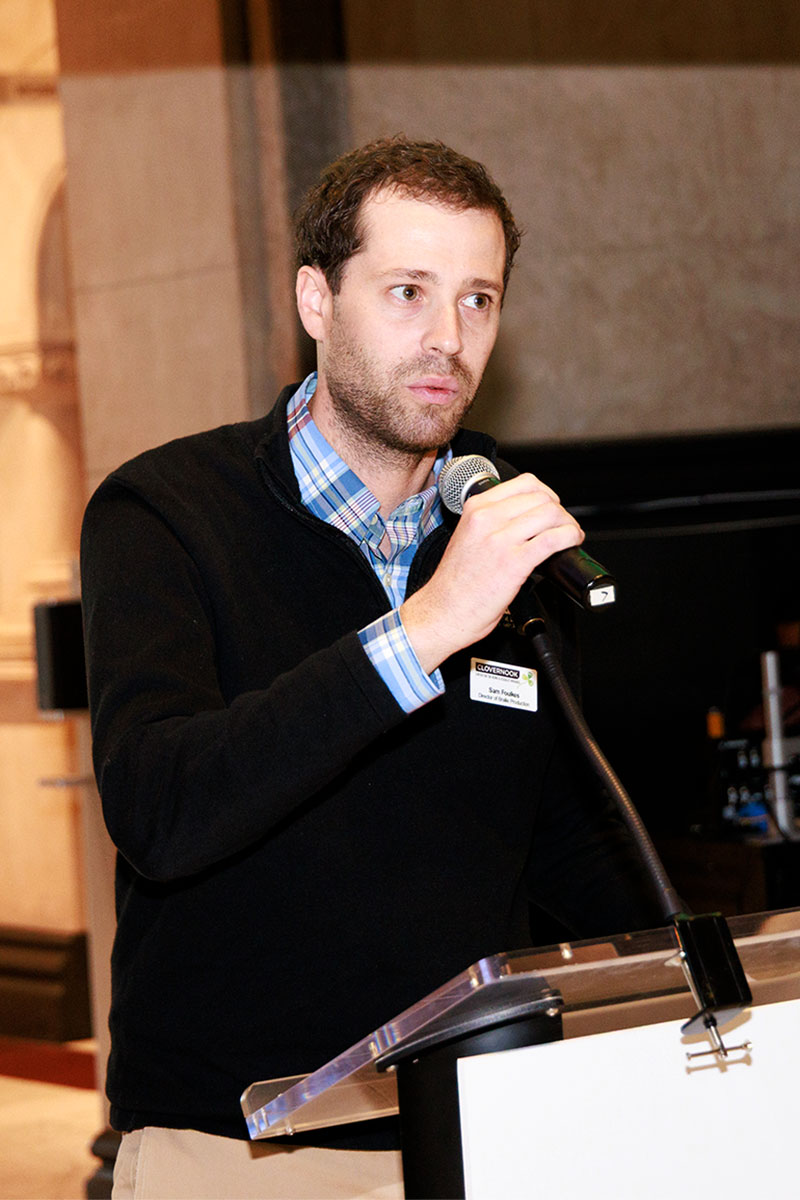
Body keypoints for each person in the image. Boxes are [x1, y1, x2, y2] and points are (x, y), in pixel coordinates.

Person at [80, 135, 663, 1199]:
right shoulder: (164, 514)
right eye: (407, 291)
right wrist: (427, 627)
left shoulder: (503, 530)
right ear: (316, 300)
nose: (447, 337)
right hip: (243, 1154)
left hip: (489, 1137)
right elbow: (163, 808)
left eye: (477, 300)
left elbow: (564, 844)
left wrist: (706, 976)